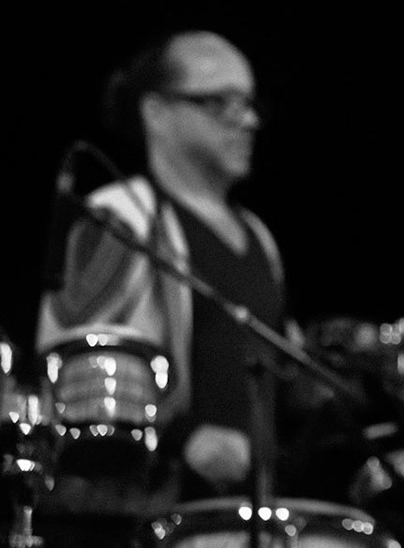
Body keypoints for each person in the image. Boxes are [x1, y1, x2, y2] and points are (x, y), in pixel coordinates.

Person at [37, 30, 288, 521]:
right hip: (142, 521)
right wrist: (185, 437)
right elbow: (71, 373)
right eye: (222, 103)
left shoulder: (259, 237)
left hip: (248, 522)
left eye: (250, 103)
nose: (250, 120)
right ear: (157, 113)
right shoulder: (118, 219)